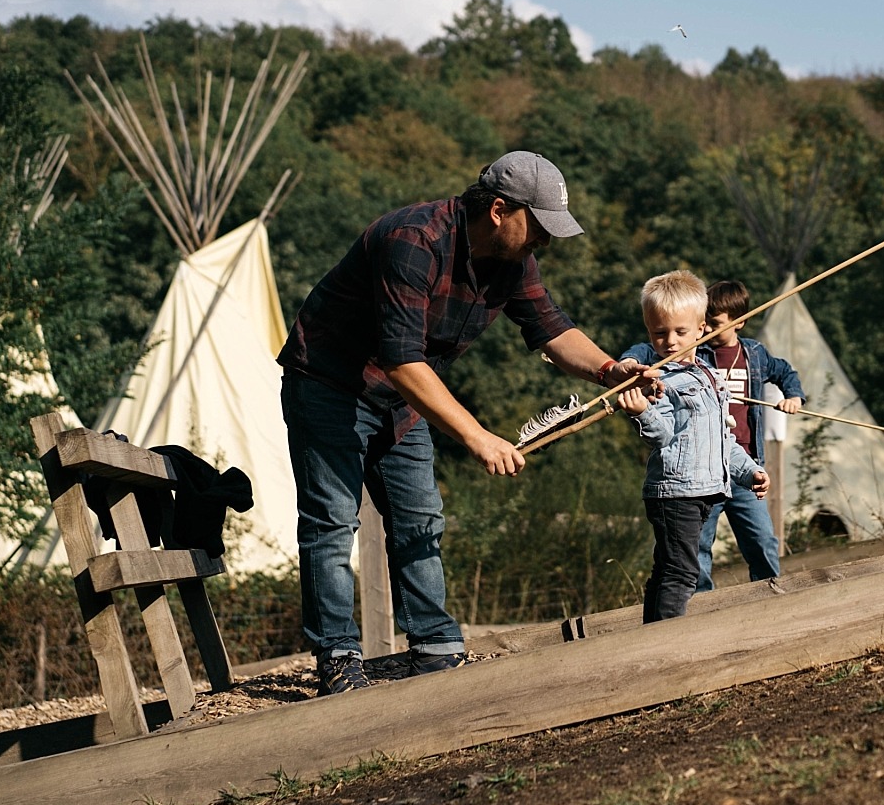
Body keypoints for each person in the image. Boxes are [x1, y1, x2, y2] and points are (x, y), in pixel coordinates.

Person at [278, 150, 655, 695]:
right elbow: (401, 360)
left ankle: (434, 646)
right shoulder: (412, 241)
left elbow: (550, 328)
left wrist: (610, 369)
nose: (543, 242)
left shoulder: (513, 259)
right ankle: (338, 658)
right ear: (500, 210)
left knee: (420, 517)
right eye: (539, 227)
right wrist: (477, 436)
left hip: (402, 395)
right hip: (330, 384)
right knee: (333, 524)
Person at [621, 279, 804, 590]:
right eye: (707, 326)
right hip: (702, 467)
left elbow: (785, 371)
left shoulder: (755, 354)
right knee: (699, 546)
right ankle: (701, 601)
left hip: (743, 460)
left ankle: (769, 592)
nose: (709, 332)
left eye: (717, 324)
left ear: (740, 321)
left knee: (761, 539)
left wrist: (793, 396)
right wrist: (629, 361)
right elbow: (648, 346)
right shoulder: (693, 354)